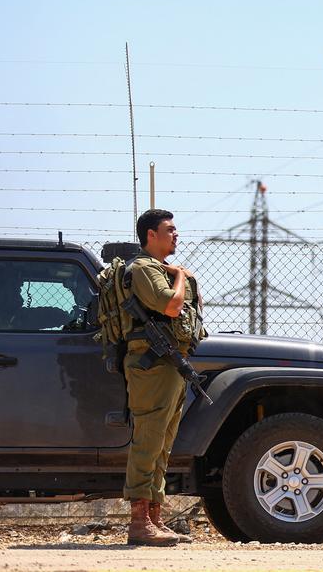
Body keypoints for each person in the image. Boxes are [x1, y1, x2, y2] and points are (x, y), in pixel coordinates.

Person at [122, 208, 202, 546]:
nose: (176, 235)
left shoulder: (159, 269)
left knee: (163, 444)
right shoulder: (142, 269)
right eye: (169, 230)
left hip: (170, 364)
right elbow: (171, 305)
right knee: (149, 440)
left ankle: (154, 518)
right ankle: (139, 523)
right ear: (150, 235)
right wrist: (181, 276)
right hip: (151, 365)